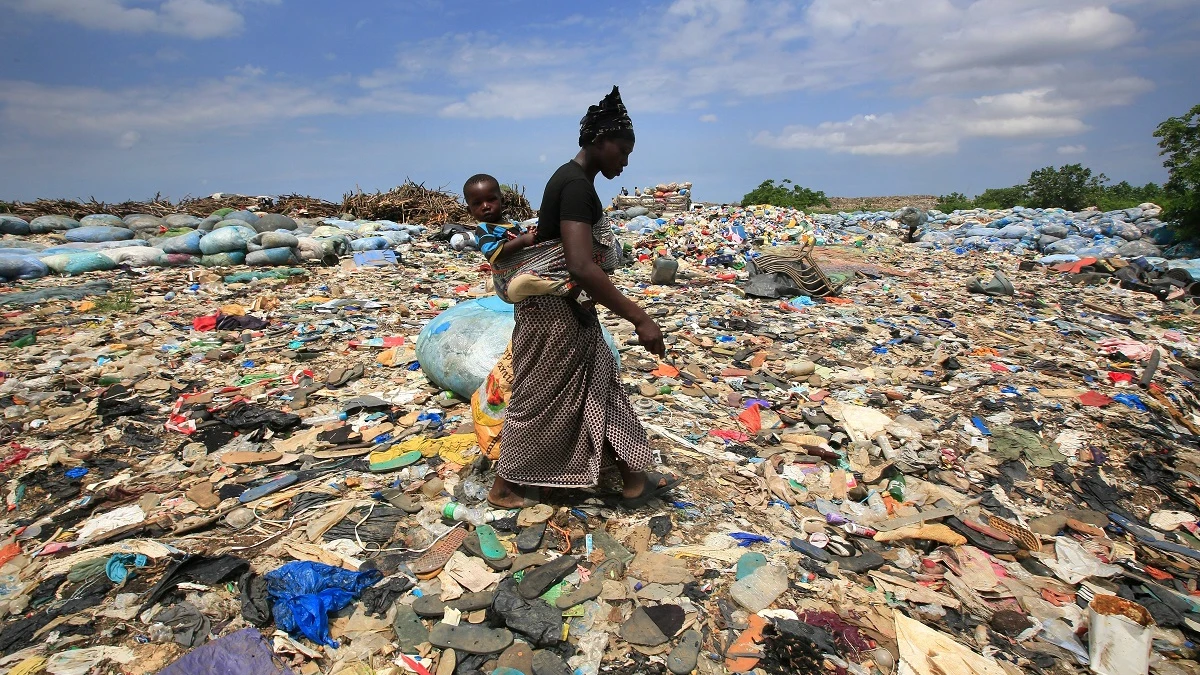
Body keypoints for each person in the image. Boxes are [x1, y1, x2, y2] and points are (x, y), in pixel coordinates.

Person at [487, 86, 680, 509]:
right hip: (553, 313)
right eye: (622, 151)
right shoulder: (574, 185)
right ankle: (506, 485)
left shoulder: (572, 180)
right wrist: (639, 316)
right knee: (542, 397)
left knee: (601, 385)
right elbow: (579, 264)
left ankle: (633, 476)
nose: (625, 162)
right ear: (598, 141)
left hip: (569, 308)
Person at [465, 174, 572, 303]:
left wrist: (529, 234)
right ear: (470, 211)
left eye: (491, 199)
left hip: (525, 269)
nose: (485, 206)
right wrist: (522, 241)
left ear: (502, 201)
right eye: (477, 203)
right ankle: (569, 288)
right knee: (523, 282)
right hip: (507, 283)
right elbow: (491, 253)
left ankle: (571, 288)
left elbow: (523, 242)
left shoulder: (513, 224)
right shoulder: (484, 228)